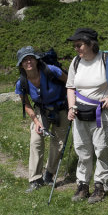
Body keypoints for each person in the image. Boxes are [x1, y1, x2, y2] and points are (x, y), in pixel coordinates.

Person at [66, 28, 108, 204]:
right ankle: (82, 185)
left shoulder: (106, 60)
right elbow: (70, 87)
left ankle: (100, 185)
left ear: (90, 44)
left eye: (79, 45)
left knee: (101, 149)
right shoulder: (75, 62)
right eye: (75, 45)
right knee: (82, 150)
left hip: (101, 114)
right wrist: (70, 107)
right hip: (80, 113)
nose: (76, 48)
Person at [15, 46, 70, 193]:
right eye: (24, 60)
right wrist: (36, 121)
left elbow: (71, 84)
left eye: (31, 58)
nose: (28, 62)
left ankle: (49, 174)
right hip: (42, 111)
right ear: (21, 64)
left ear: (36, 59)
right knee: (36, 140)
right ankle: (35, 179)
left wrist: (73, 105)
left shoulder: (51, 70)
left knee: (58, 143)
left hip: (62, 109)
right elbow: (25, 103)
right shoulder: (22, 82)